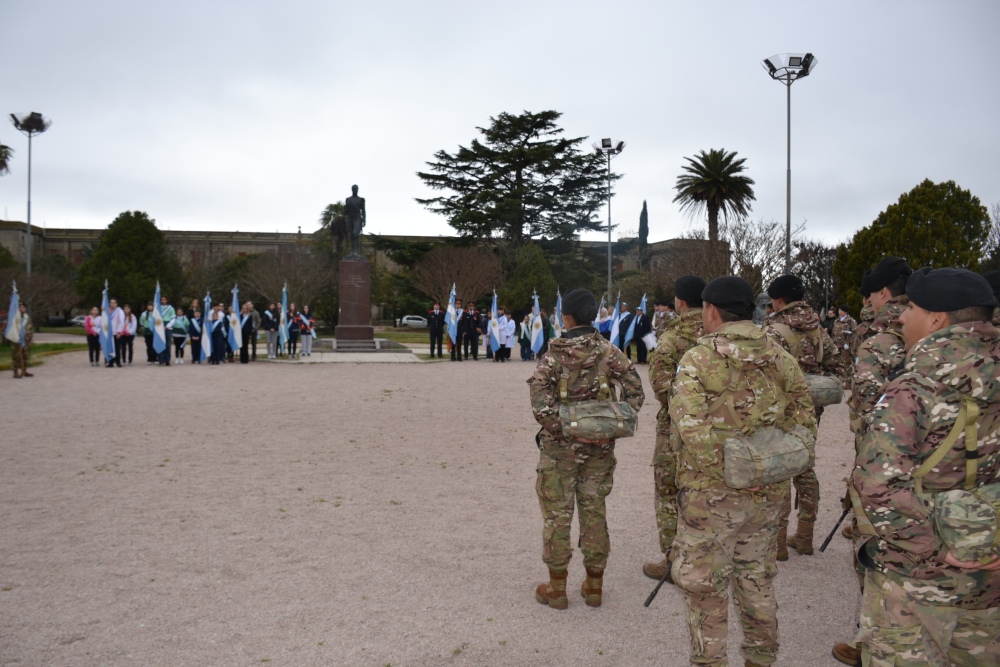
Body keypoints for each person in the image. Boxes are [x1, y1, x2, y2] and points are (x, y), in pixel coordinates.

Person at [850, 268, 1000, 666]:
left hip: (915, 585)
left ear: (937, 319)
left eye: (911, 307)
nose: (901, 317)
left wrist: (941, 550)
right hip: (990, 582)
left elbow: (878, 487)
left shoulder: (913, 389)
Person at [670, 276, 816, 667]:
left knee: (705, 588)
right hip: (767, 492)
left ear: (711, 311)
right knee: (756, 580)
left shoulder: (699, 358)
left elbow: (690, 428)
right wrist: (766, 459)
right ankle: (761, 659)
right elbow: (805, 418)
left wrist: (727, 469)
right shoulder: (780, 355)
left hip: (711, 496)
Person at [528, 287, 644, 609]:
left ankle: (556, 589)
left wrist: (567, 430)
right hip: (600, 453)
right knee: (594, 512)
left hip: (558, 452)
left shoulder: (552, 357)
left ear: (565, 317)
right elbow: (635, 393)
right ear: (594, 315)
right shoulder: (611, 353)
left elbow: (540, 406)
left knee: (557, 517)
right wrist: (607, 426)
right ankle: (594, 587)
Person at [765, 273, 841, 559]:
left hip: (781, 408)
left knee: (781, 471)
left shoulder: (774, 330)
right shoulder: (818, 327)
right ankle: (806, 536)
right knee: (806, 466)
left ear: (779, 300)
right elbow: (836, 363)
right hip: (811, 409)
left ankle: (779, 543)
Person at [642, 275, 705, 581]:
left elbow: (660, 387)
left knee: (668, 491)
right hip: (718, 429)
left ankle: (673, 561)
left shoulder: (672, 337)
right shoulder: (720, 334)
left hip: (675, 430)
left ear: (679, 302)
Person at [8, 302, 34, 378]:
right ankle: (15, 372)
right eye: (21, 307)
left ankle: (24, 370)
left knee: (25, 355)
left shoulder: (26, 317)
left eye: (24, 307)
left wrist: (30, 338)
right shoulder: (15, 318)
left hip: (25, 339)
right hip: (16, 340)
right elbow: (12, 328)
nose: (23, 309)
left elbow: (30, 328)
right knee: (16, 356)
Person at [107, 298, 124, 368]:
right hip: (109, 333)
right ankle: (110, 362)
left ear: (116, 304)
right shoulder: (108, 311)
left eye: (114, 303)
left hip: (116, 332)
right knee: (109, 348)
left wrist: (119, 332)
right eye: (111, 302)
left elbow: (121, 322)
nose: (112, 304)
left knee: (117, 348)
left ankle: (118, 362)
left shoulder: (119, 311)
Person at [159, 295, 175, 366]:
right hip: (160, 326)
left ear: (167, 300)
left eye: (164, 299)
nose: (163, 301)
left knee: (168, 345)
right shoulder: (158, 308)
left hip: (168, 327)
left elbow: (173, 318)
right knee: (160, 344)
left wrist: (167, 326)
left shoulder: (171, 308)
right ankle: (160, 360)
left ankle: (167, 360)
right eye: (162, 299)